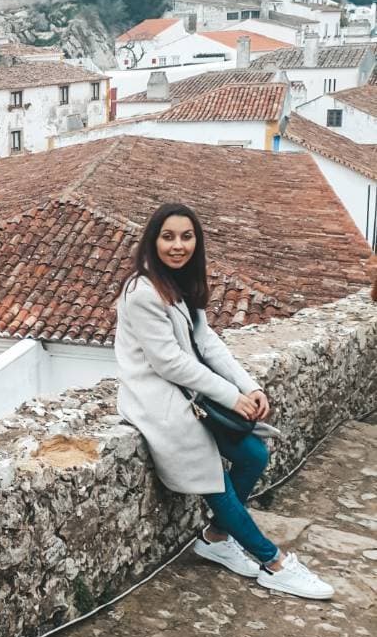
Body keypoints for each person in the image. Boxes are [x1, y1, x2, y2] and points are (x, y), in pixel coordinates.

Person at [114, 202, 333, 600]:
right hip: (159, 400)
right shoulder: (142, 292)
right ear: (152, 241)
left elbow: (207, 343)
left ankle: (216, 536)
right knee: (216, 483)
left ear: (196, 242)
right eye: (168, 237)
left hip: (191, 394)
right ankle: (273, 563)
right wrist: (231, 397)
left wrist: (249, 387)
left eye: (186, 236)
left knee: (254, 454)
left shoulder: (179, 284)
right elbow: (169, 362)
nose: (178, 245)